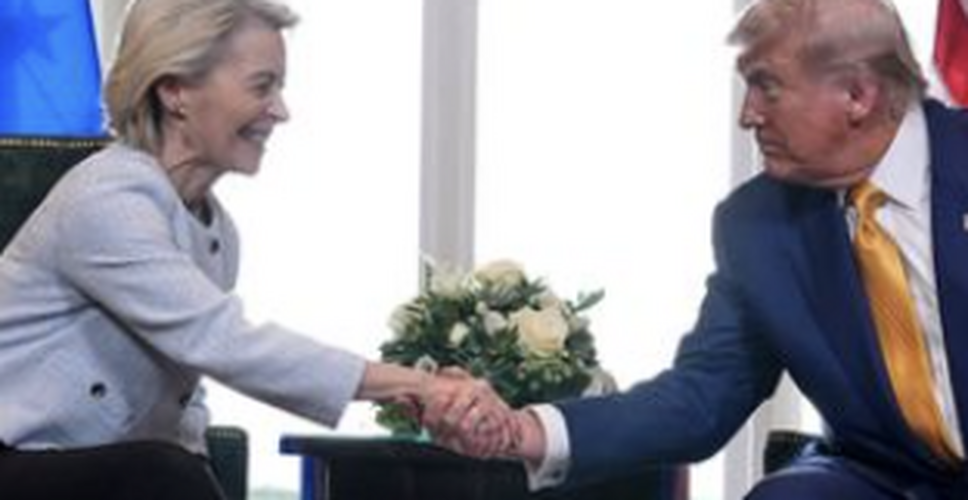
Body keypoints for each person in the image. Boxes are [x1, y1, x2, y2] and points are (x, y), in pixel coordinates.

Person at [424, 0, 968, 497]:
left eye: (767, 87)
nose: (748, 115)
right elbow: (703, 397)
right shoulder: (757, 226)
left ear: (857, 95)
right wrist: (525, 429)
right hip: (890, 480)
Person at [0, 0, 512, 498]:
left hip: (97, 471)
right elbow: (222, 341)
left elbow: (183, 396)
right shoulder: (107, 198)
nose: (280, 111)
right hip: (19, 457)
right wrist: (418, 385)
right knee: (162, 473)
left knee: (172, 468)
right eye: (261, 86)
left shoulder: (216, 231)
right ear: (175, 90)